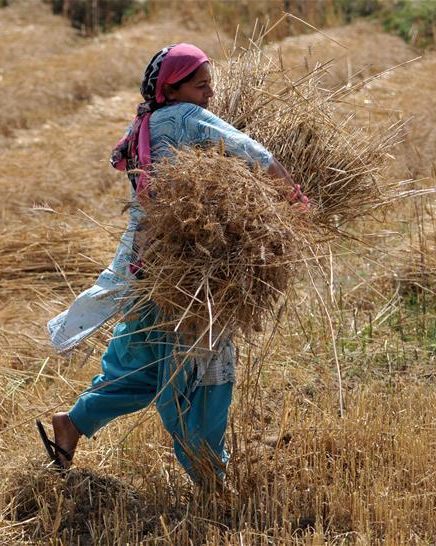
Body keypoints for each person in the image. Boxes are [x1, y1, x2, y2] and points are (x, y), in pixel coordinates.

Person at [38, 43, 307, 485]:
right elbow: (253, 152)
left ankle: (74, 422)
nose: (209, 95)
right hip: (189, 274)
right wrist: (295, 200)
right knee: (198, 370)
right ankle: (209, 474)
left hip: (147, 272)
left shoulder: (142, 124)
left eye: (210, 85)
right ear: (173, 87)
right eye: (201, 86)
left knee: (143, 364)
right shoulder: (185, 116)